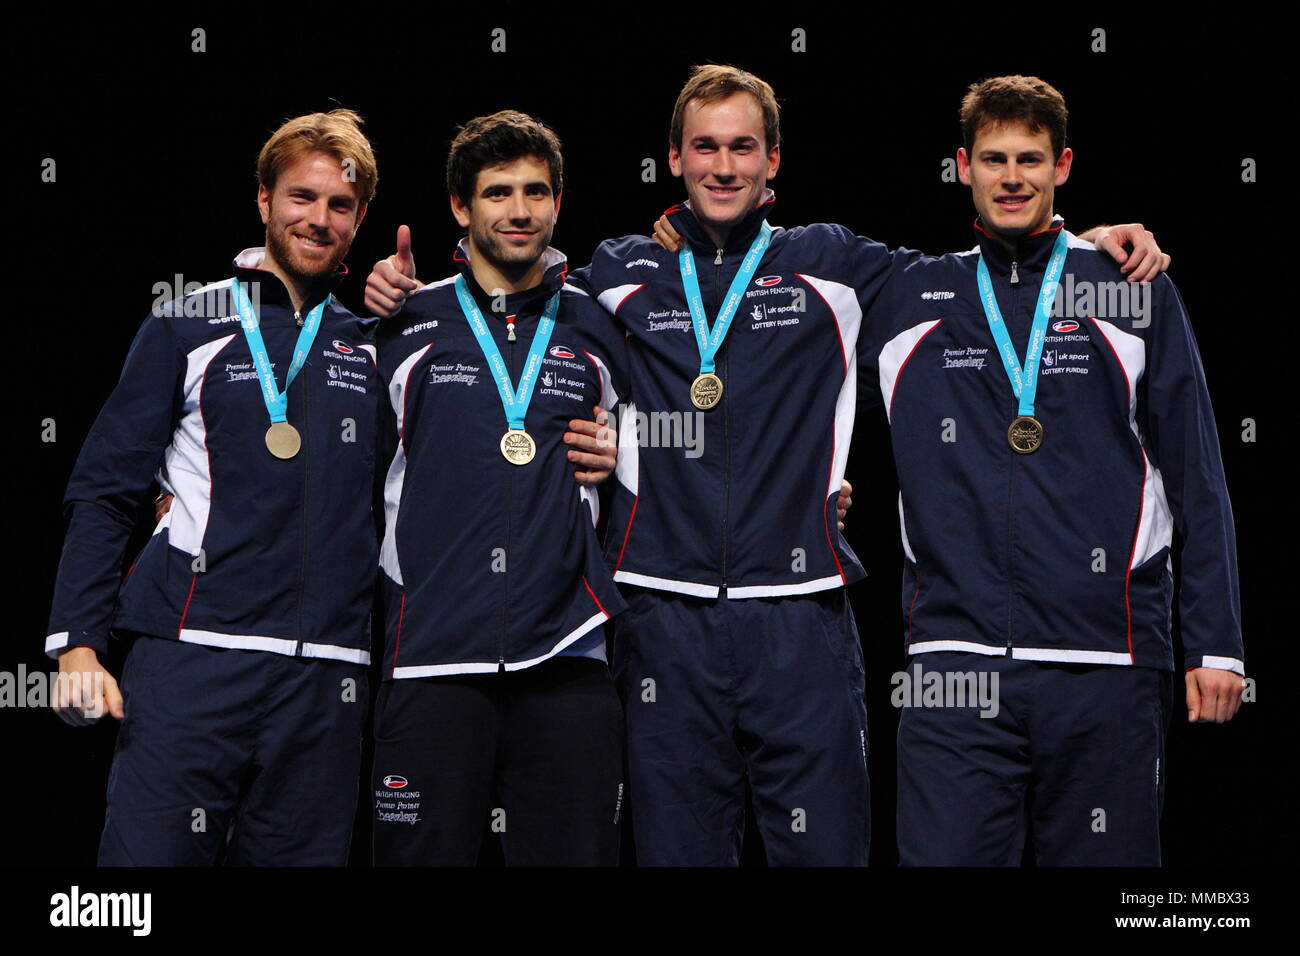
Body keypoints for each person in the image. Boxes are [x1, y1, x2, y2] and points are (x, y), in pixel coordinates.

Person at [366, 66, 1164, 866]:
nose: (723, 165)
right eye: (705, 147)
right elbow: (507, 292)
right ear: (673, 159)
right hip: (660, 619)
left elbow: (984, 274)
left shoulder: (836, 266)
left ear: (773, 160)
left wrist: (1089, 242)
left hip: (802, 621)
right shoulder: (617, 274)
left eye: (743, 147)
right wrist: (391, 291)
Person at [859, 74, 1245, 864]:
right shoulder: (910, 294)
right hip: (951, 665)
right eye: (993, 158)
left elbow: (1195, 470)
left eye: (1029, 159)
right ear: (961, 167)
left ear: (1062, 166)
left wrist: (1218, 645)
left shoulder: (1131, 288)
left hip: (1106, 656)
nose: (1011, 177)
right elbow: (776, 380)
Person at [46, 109, 383, 865]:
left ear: (361, 219)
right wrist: (77, 643)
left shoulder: (372, 347)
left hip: (327, 676)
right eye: (301, 197)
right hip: (193, 657)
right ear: (263, 199)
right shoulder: (185, 322)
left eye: (340, 205)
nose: (318, 219)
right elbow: (106, 489)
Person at [369, 111, 627, 866]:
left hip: (569, 655)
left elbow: (686, 439)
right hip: (430, 654)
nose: (520, 210)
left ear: (557, 202)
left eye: (537, 191)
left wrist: (630, 446)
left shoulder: (600, 325)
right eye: (498, 192)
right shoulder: (401, 325)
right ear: (461, 207)